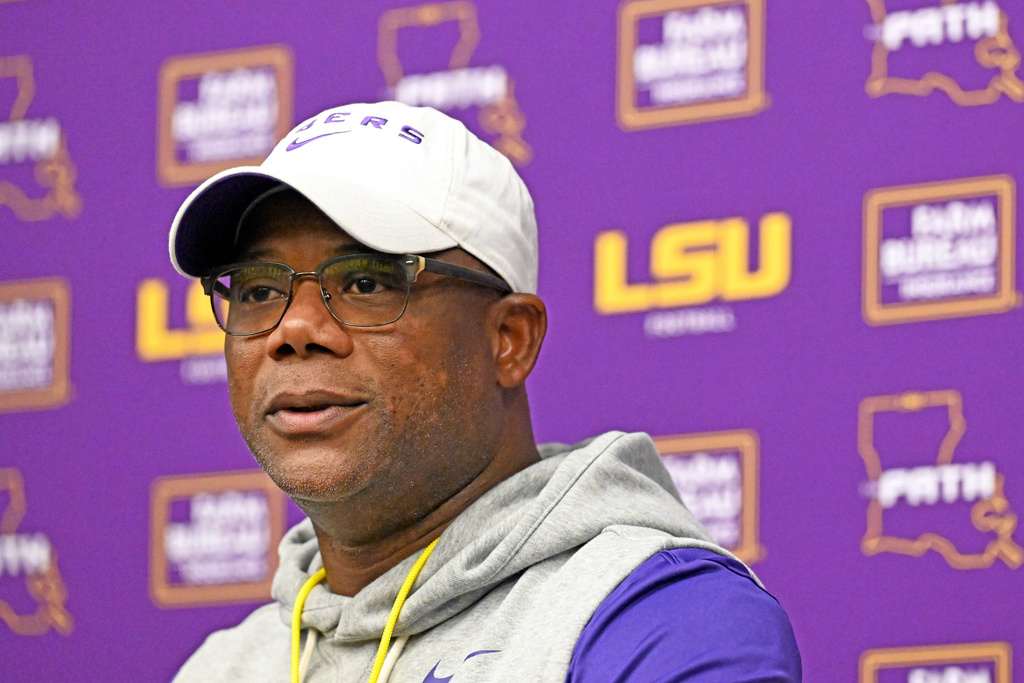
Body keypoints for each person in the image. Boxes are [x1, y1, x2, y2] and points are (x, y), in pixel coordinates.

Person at [168, 101, 801, 683]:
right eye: (257, 290)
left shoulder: (662, 619)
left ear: (510, 340)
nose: (296, 328)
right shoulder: (221, 667)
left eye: (366, 282)